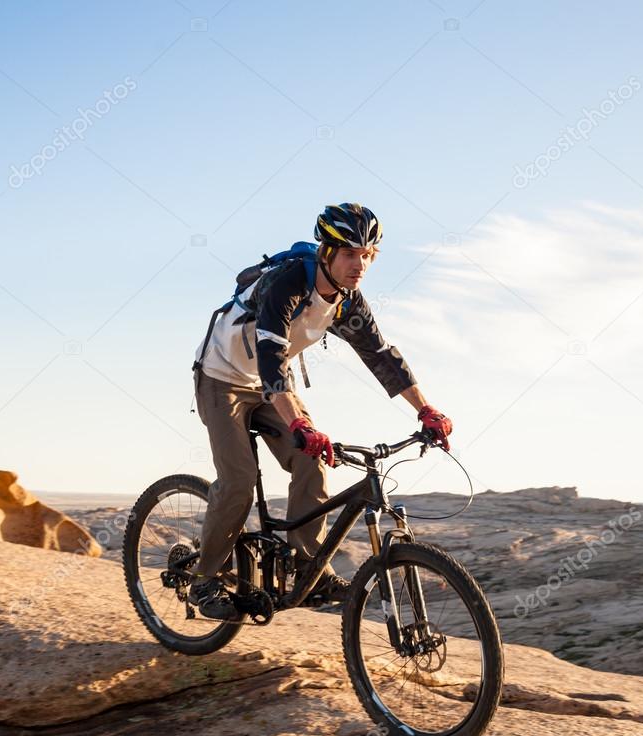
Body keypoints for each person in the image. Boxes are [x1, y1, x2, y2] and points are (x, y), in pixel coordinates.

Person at [189, 202, 453, 619]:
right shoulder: (290, 283)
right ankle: (203, 580)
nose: (359, 264)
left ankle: (308, 567)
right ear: (326, 252)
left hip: (269, 386)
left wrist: (427, 410)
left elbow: (381, 356)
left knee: (316, 460)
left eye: (367, 255)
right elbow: (272, 357)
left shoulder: (347, 302)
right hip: (223, 378)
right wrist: (298, 422)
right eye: (350, 253)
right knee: (239, 479)